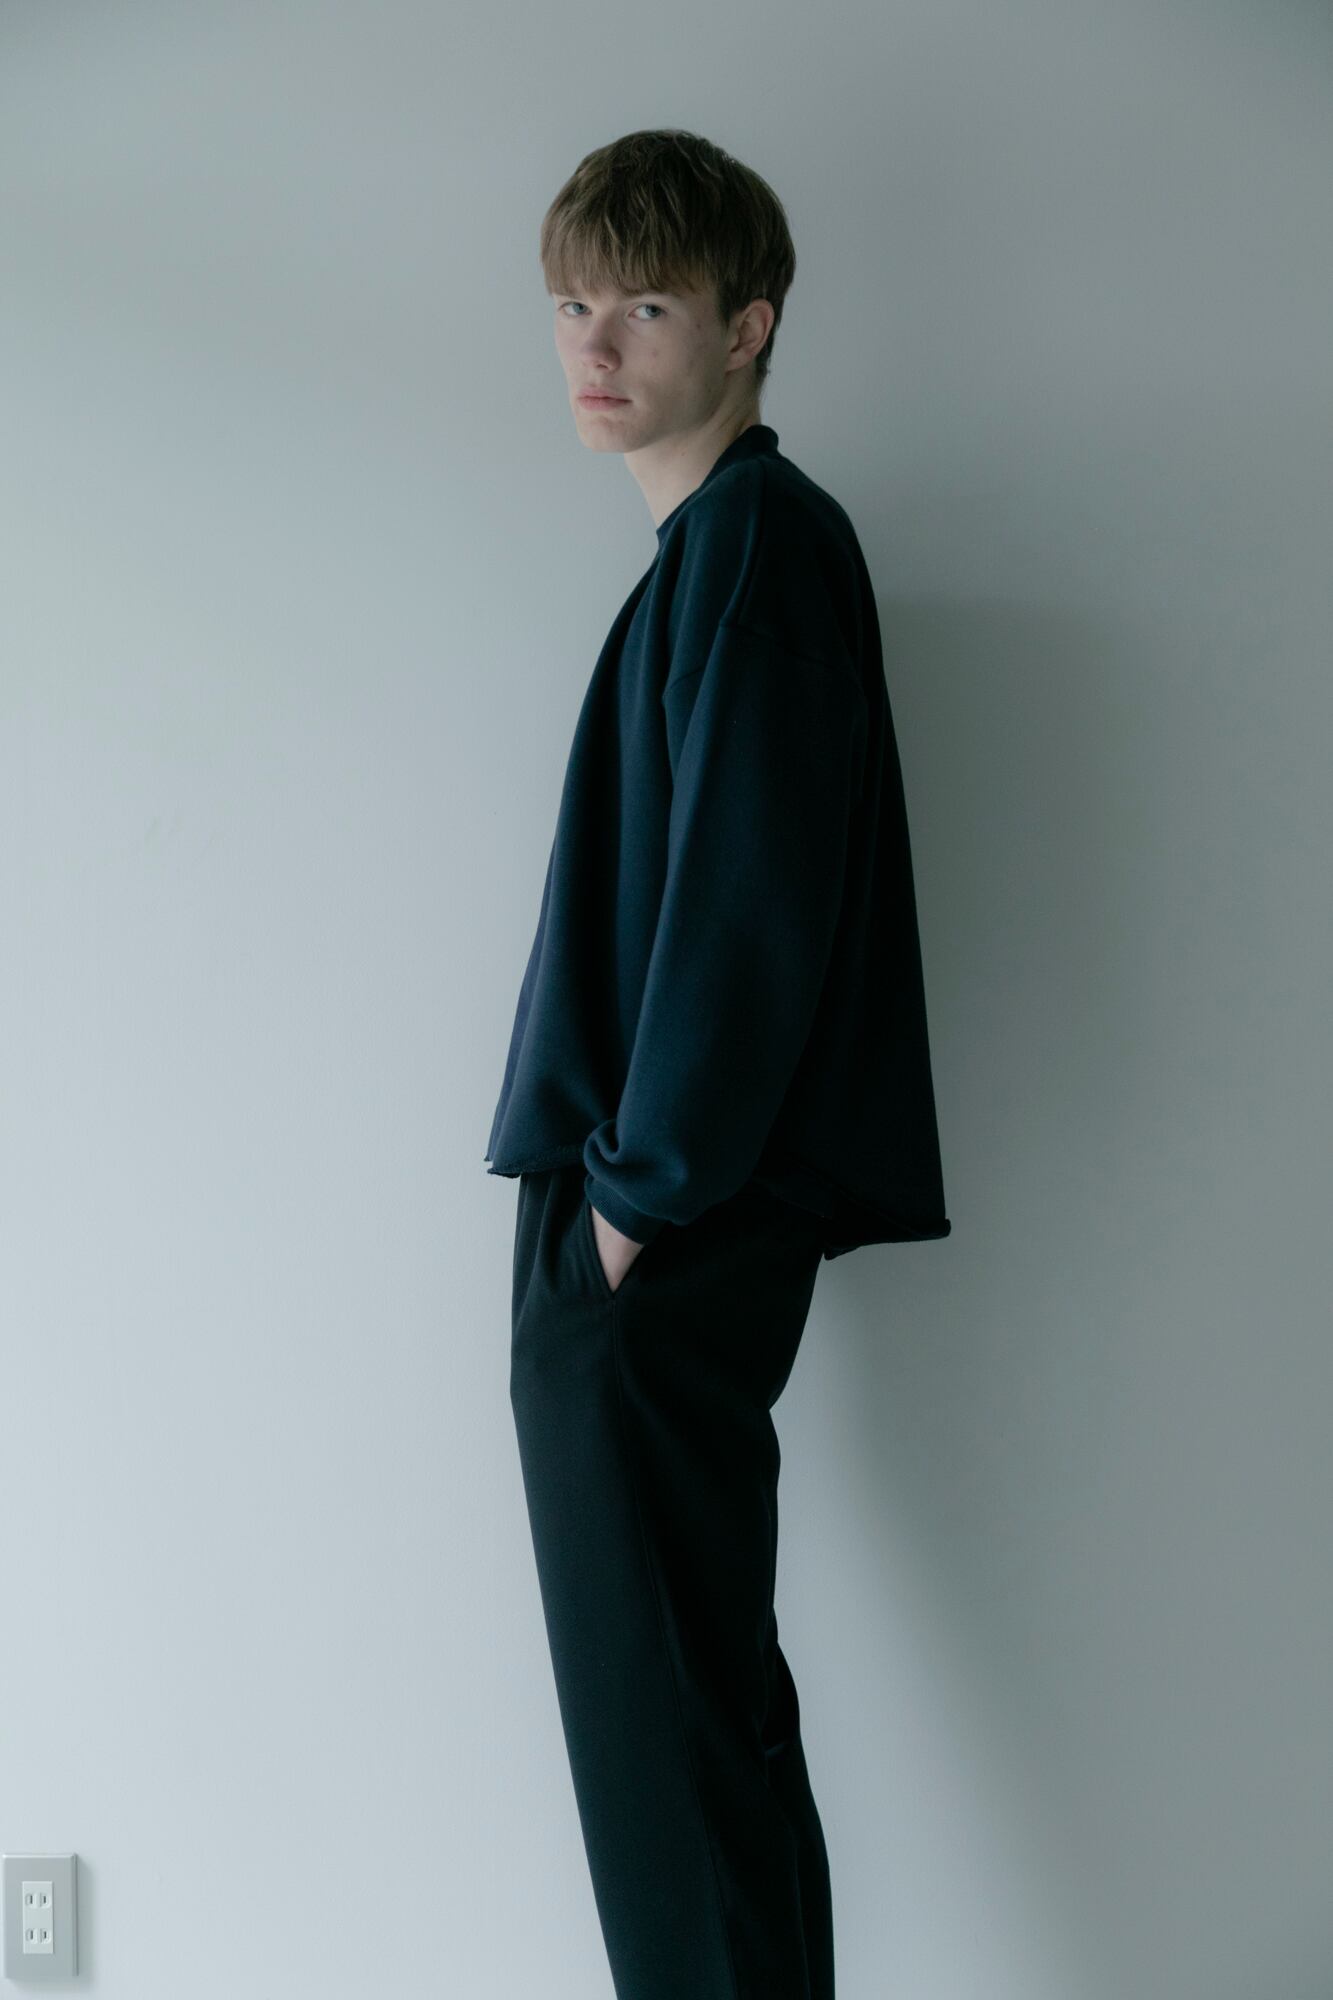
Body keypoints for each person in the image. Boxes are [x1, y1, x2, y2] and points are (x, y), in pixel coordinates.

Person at [486, 126, 951, 2000]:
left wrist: (632, 1207)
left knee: (673, 1742)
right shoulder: (716, 554)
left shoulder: (757, 544)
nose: (594, 347)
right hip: (646, 1208)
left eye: (646, 308)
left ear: (747, 326)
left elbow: (746, 913)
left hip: (661, 1220)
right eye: (569, 306)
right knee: (680, 1732)